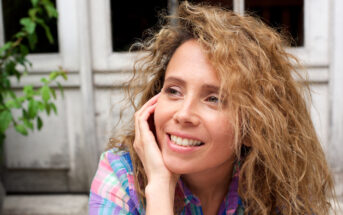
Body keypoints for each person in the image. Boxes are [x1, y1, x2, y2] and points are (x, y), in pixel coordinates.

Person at [89, 2, 336, 215]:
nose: (183, 114)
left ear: (253, 127)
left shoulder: (275, 184)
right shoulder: (121, 176)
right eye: (173, 91)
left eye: (214, 99)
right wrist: (160, 187)